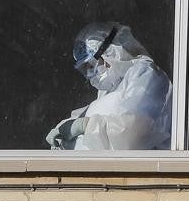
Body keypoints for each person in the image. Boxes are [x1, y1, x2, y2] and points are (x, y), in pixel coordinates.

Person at [46, 22, 173, 150]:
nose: (89, 75)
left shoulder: (145, 74)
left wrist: (85, 126)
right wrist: (66, 127)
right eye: (84, 69)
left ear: (109, 53)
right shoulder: (110, 89)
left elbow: (133, 133)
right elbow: (94, 114)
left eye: (91, 66)